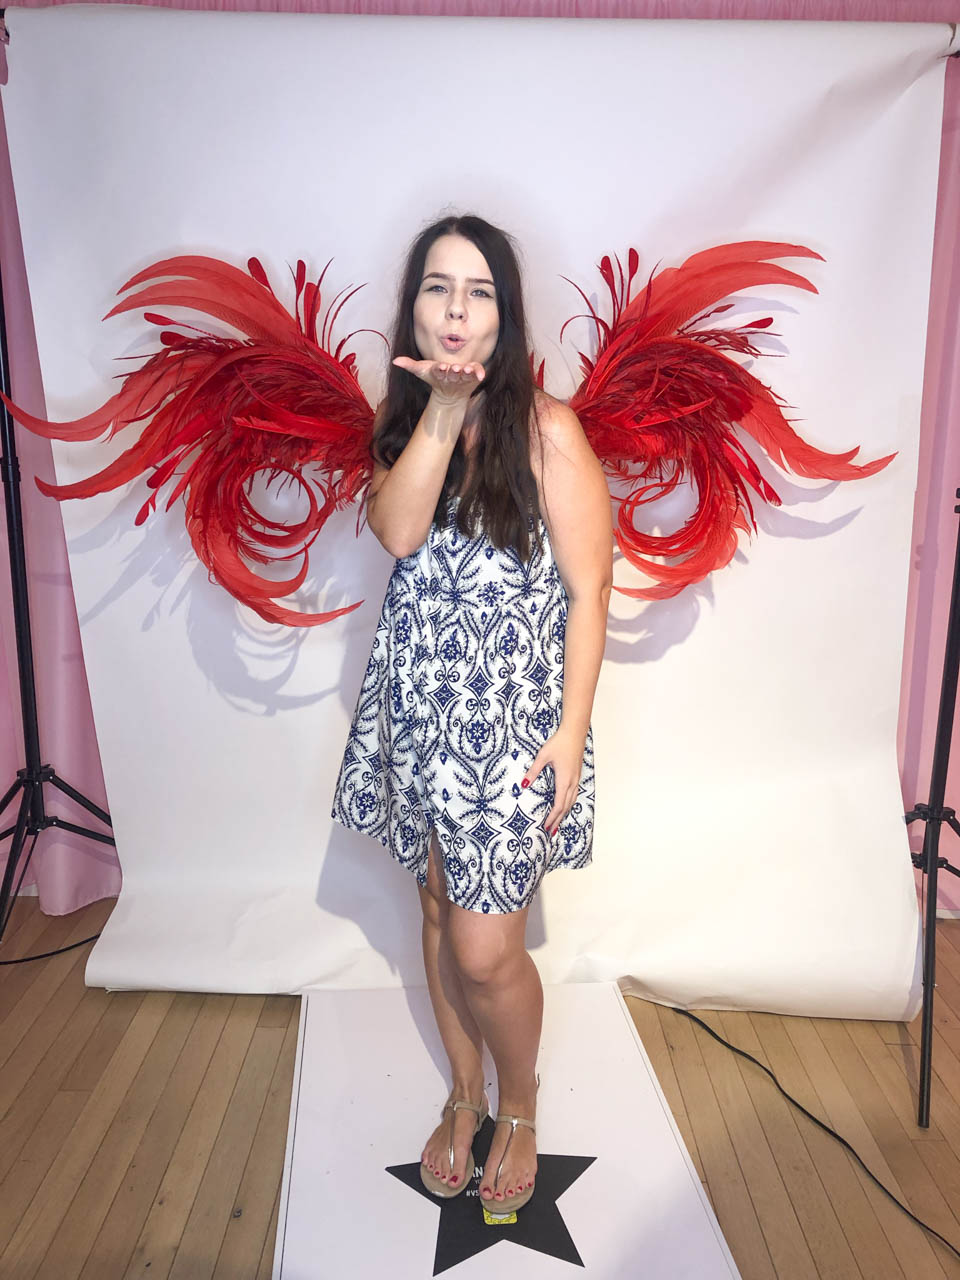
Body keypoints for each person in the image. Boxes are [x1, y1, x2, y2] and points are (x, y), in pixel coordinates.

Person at [331, 213, 612, 1211]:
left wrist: (572, 731)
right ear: (414, 305)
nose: (457, 310)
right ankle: (462, 1091)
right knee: (439, 911)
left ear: (506, 311)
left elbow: (590, 590)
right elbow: (401, 531)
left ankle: (521, 1100)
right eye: (439, 288)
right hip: (419, 707)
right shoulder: (405, 424)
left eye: (479, 290)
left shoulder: (552, 430)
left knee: (489, 945)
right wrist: (443, 415)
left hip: (511, 729)